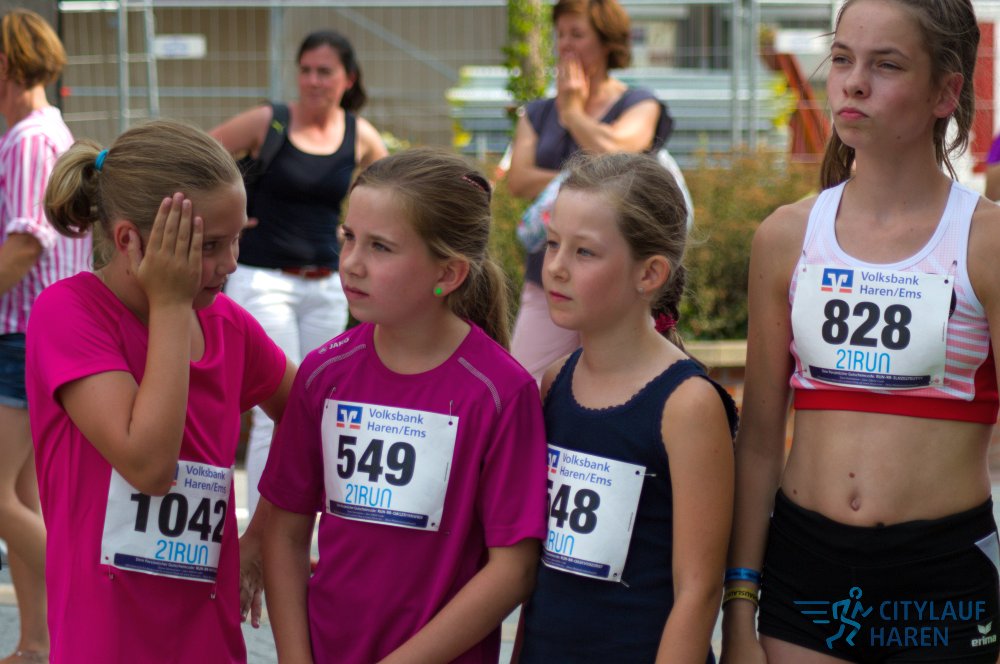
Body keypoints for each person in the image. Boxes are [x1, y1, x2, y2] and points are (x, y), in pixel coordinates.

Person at [721, 2, 1000, 663]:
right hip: (806, 571)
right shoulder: (785, 236)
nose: (853, 82)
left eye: (887, 65)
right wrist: (739, 606)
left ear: (945, 92)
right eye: (843, 58)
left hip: (941, 579)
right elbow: (758, 443)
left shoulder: (985, 241)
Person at [260, 148, 548, 663]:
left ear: (449, 273)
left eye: (380, 247)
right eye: (349, 237)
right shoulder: (323, 373)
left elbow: (514, 568)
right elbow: (284, 532)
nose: (352, 262)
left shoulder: (500, 392)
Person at [28, 120, 296, 663]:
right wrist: (171, 305)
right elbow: (149, 466)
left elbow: (308, 417)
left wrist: (262, 535)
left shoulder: (228, 324)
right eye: (209, 245)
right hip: (104, 640)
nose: (231, 262)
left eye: (238, 238)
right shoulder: (68, 313)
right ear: (130, 241)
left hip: (208, 638)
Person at [514, 152, 737, 663]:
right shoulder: (555, 381)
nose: (556, 267)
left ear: (650, 273)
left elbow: (699, 590)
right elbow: (542, 569)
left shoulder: (687, 405)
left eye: (584, 252)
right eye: (552, 243)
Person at [209, 29, 388, 517]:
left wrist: (364, 238)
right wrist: (226, 216)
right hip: (263, 281)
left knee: (322, 408)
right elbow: (200, 156)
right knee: (275, 411)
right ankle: (263, 532)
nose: (312, 80)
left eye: (324, 71)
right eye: (305, 70)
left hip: (327, 286)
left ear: (348, 79)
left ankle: (306, 528)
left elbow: (397, 192)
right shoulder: (270, 120)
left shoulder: (359, 134)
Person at [506, 0, 673, 383]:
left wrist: (573, 114)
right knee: (527, 384)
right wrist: (586, 175)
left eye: (577, 34)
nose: (565, 44)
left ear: (607, 42)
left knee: (622, 385)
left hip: (616, 283)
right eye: (560, 34)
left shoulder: (639, 102)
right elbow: (519, 179)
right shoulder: (537, 112)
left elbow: (621, 156)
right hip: (548, 279)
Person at [0, 9, 91, 663]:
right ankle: (37, 642)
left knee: (1, 496)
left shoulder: (29, 139)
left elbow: (26, 243)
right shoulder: (47, 133)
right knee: (24, 494)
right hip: (36, 334)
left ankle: (88, 594)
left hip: (22, 334)